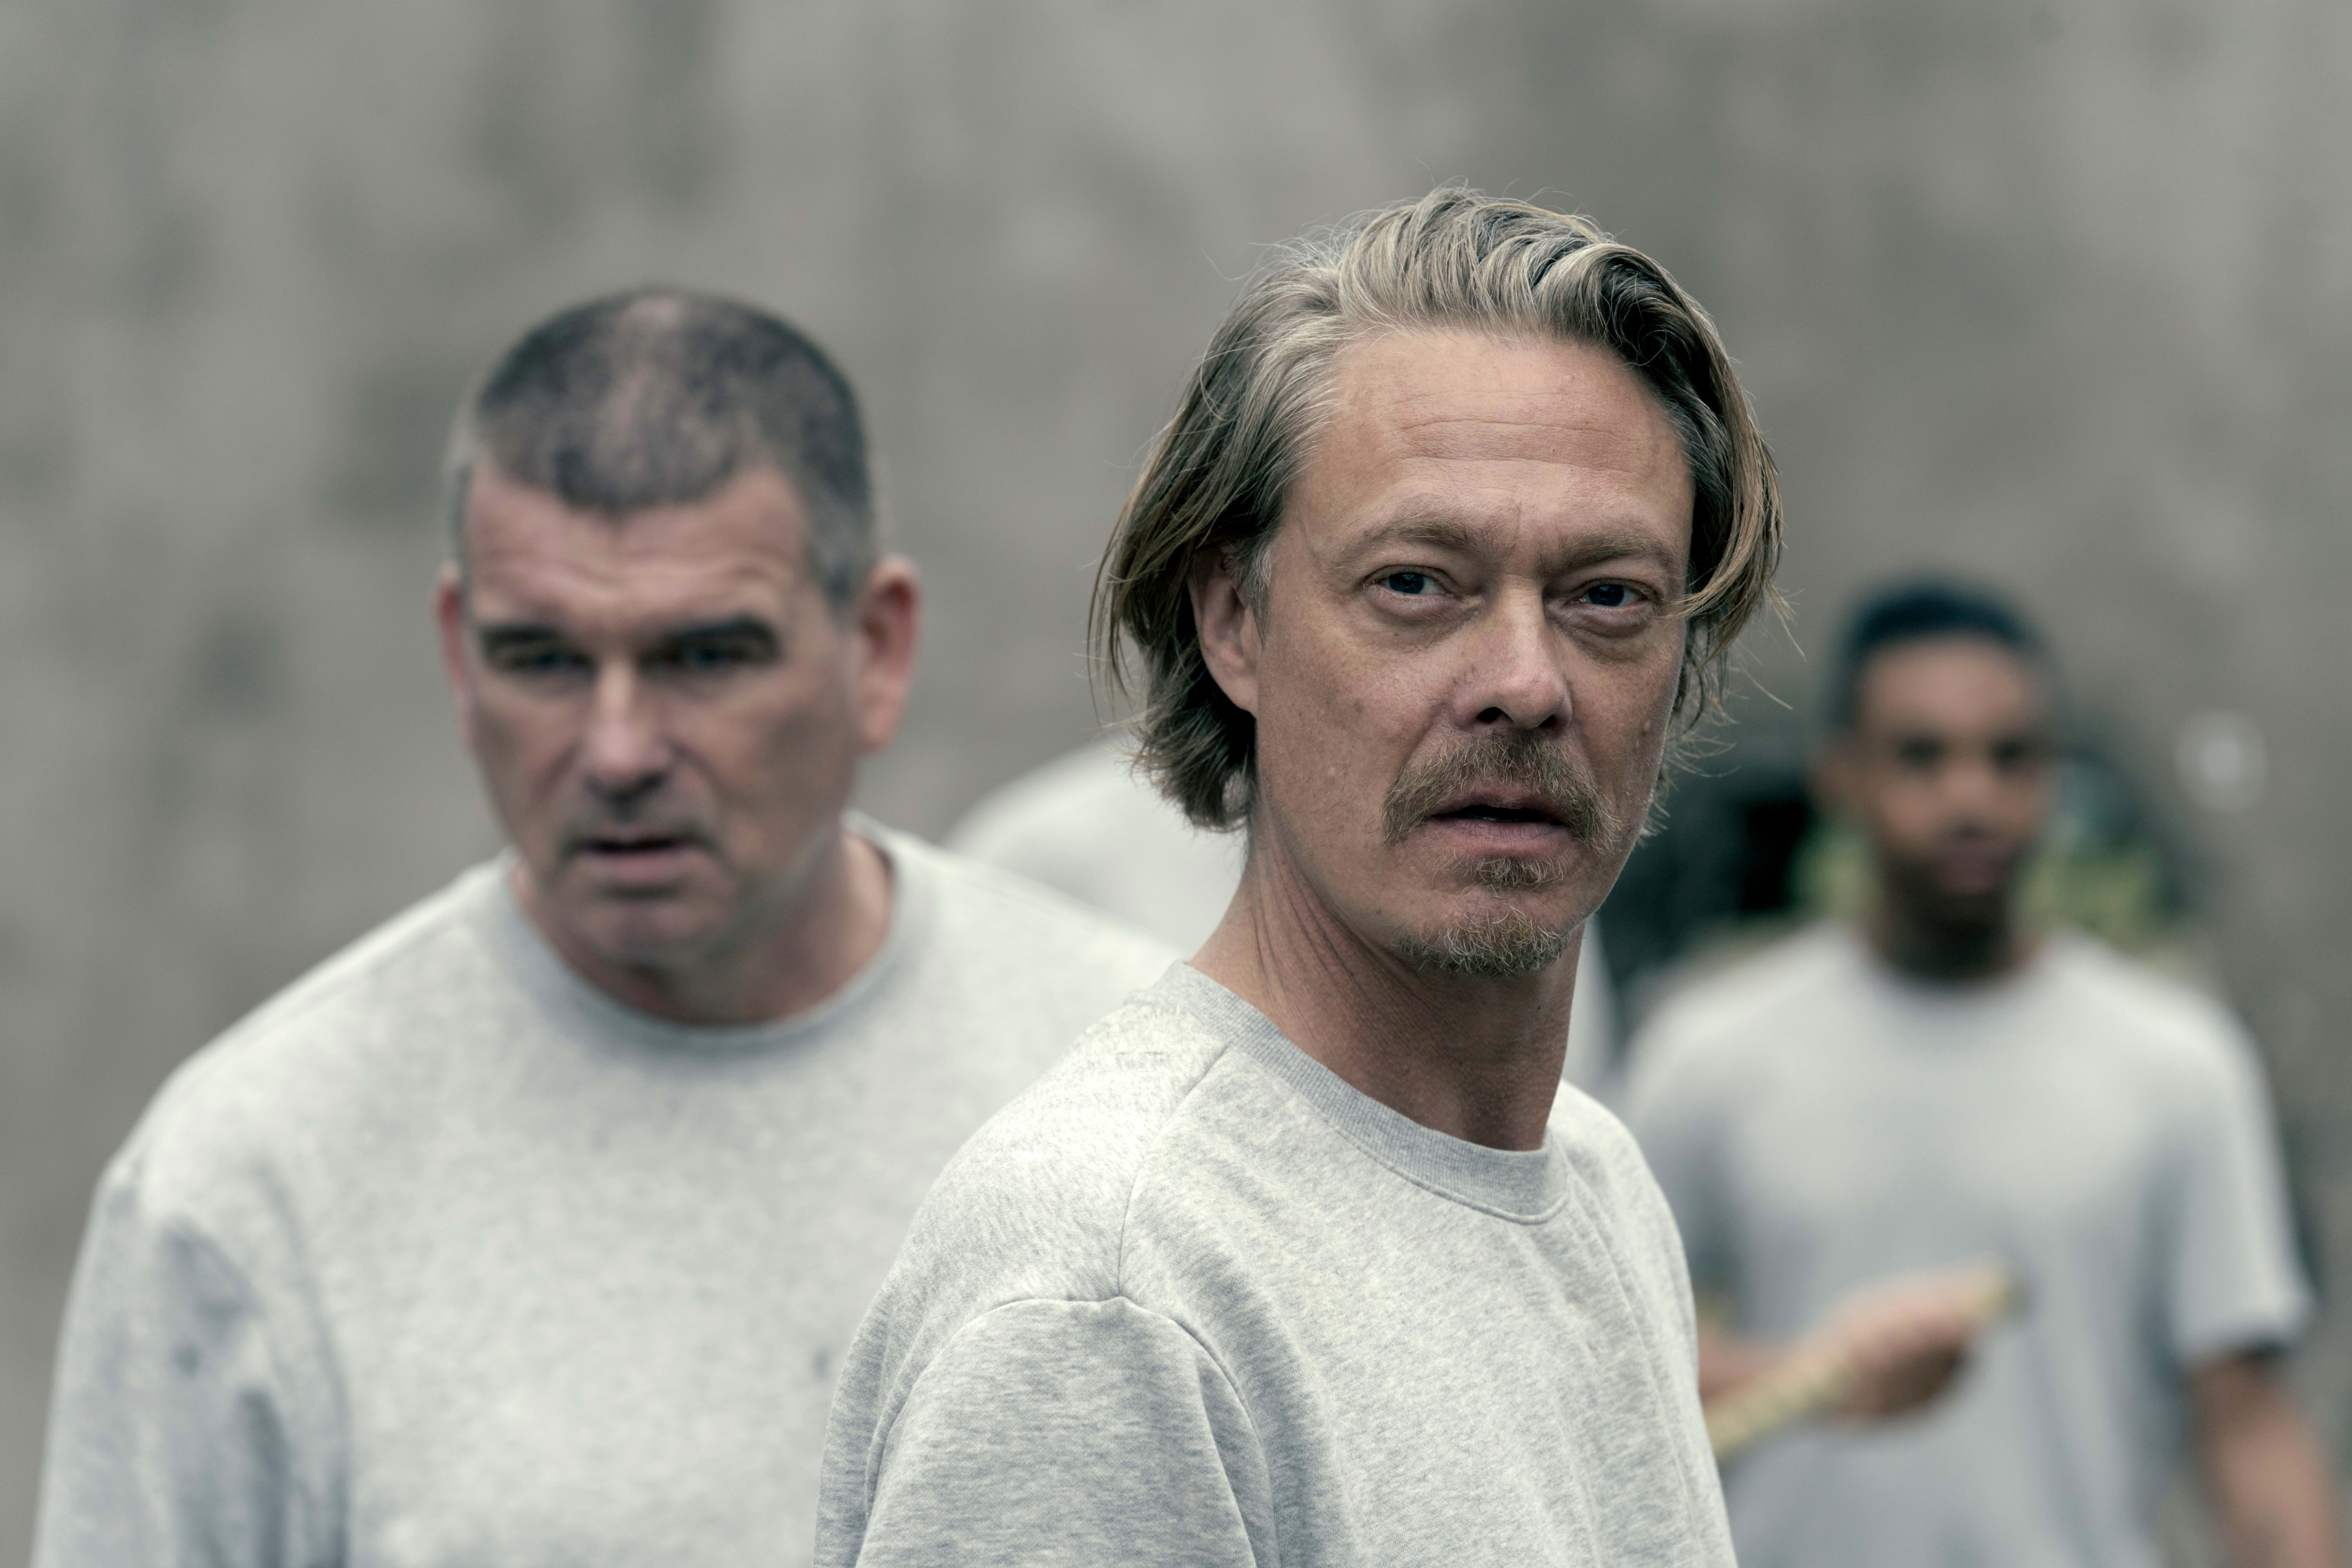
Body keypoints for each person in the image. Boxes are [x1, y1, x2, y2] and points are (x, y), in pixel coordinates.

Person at [31, 290, 1172, 1568]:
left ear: (876, 650)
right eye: (544, 661)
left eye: (705, 656)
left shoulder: (1143, 1088)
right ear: (459, 657)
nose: (618, 750)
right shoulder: (250, 1181)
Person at [817, 185, 1784, 1566]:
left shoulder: (1595, 1185)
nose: (1524, 680)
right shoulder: (1113, 1289)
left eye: (1608, 597)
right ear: (1234, 623)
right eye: (1417, 583)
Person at [1623, 581, 2342, 1568]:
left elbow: (2249, 1423)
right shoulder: (1709, 1054)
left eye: (2010, 757)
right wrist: (1813, 1377)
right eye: (1923, 755)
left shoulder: (2180, 1064)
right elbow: (1605, 1368)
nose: (1972, 798)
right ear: (1842, 777)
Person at [949, 736, 1621, 1084]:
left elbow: (1571, 1103)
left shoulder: (1511, 862)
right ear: (1228, 616)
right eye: (1409, 585)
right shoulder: (1050, 853)